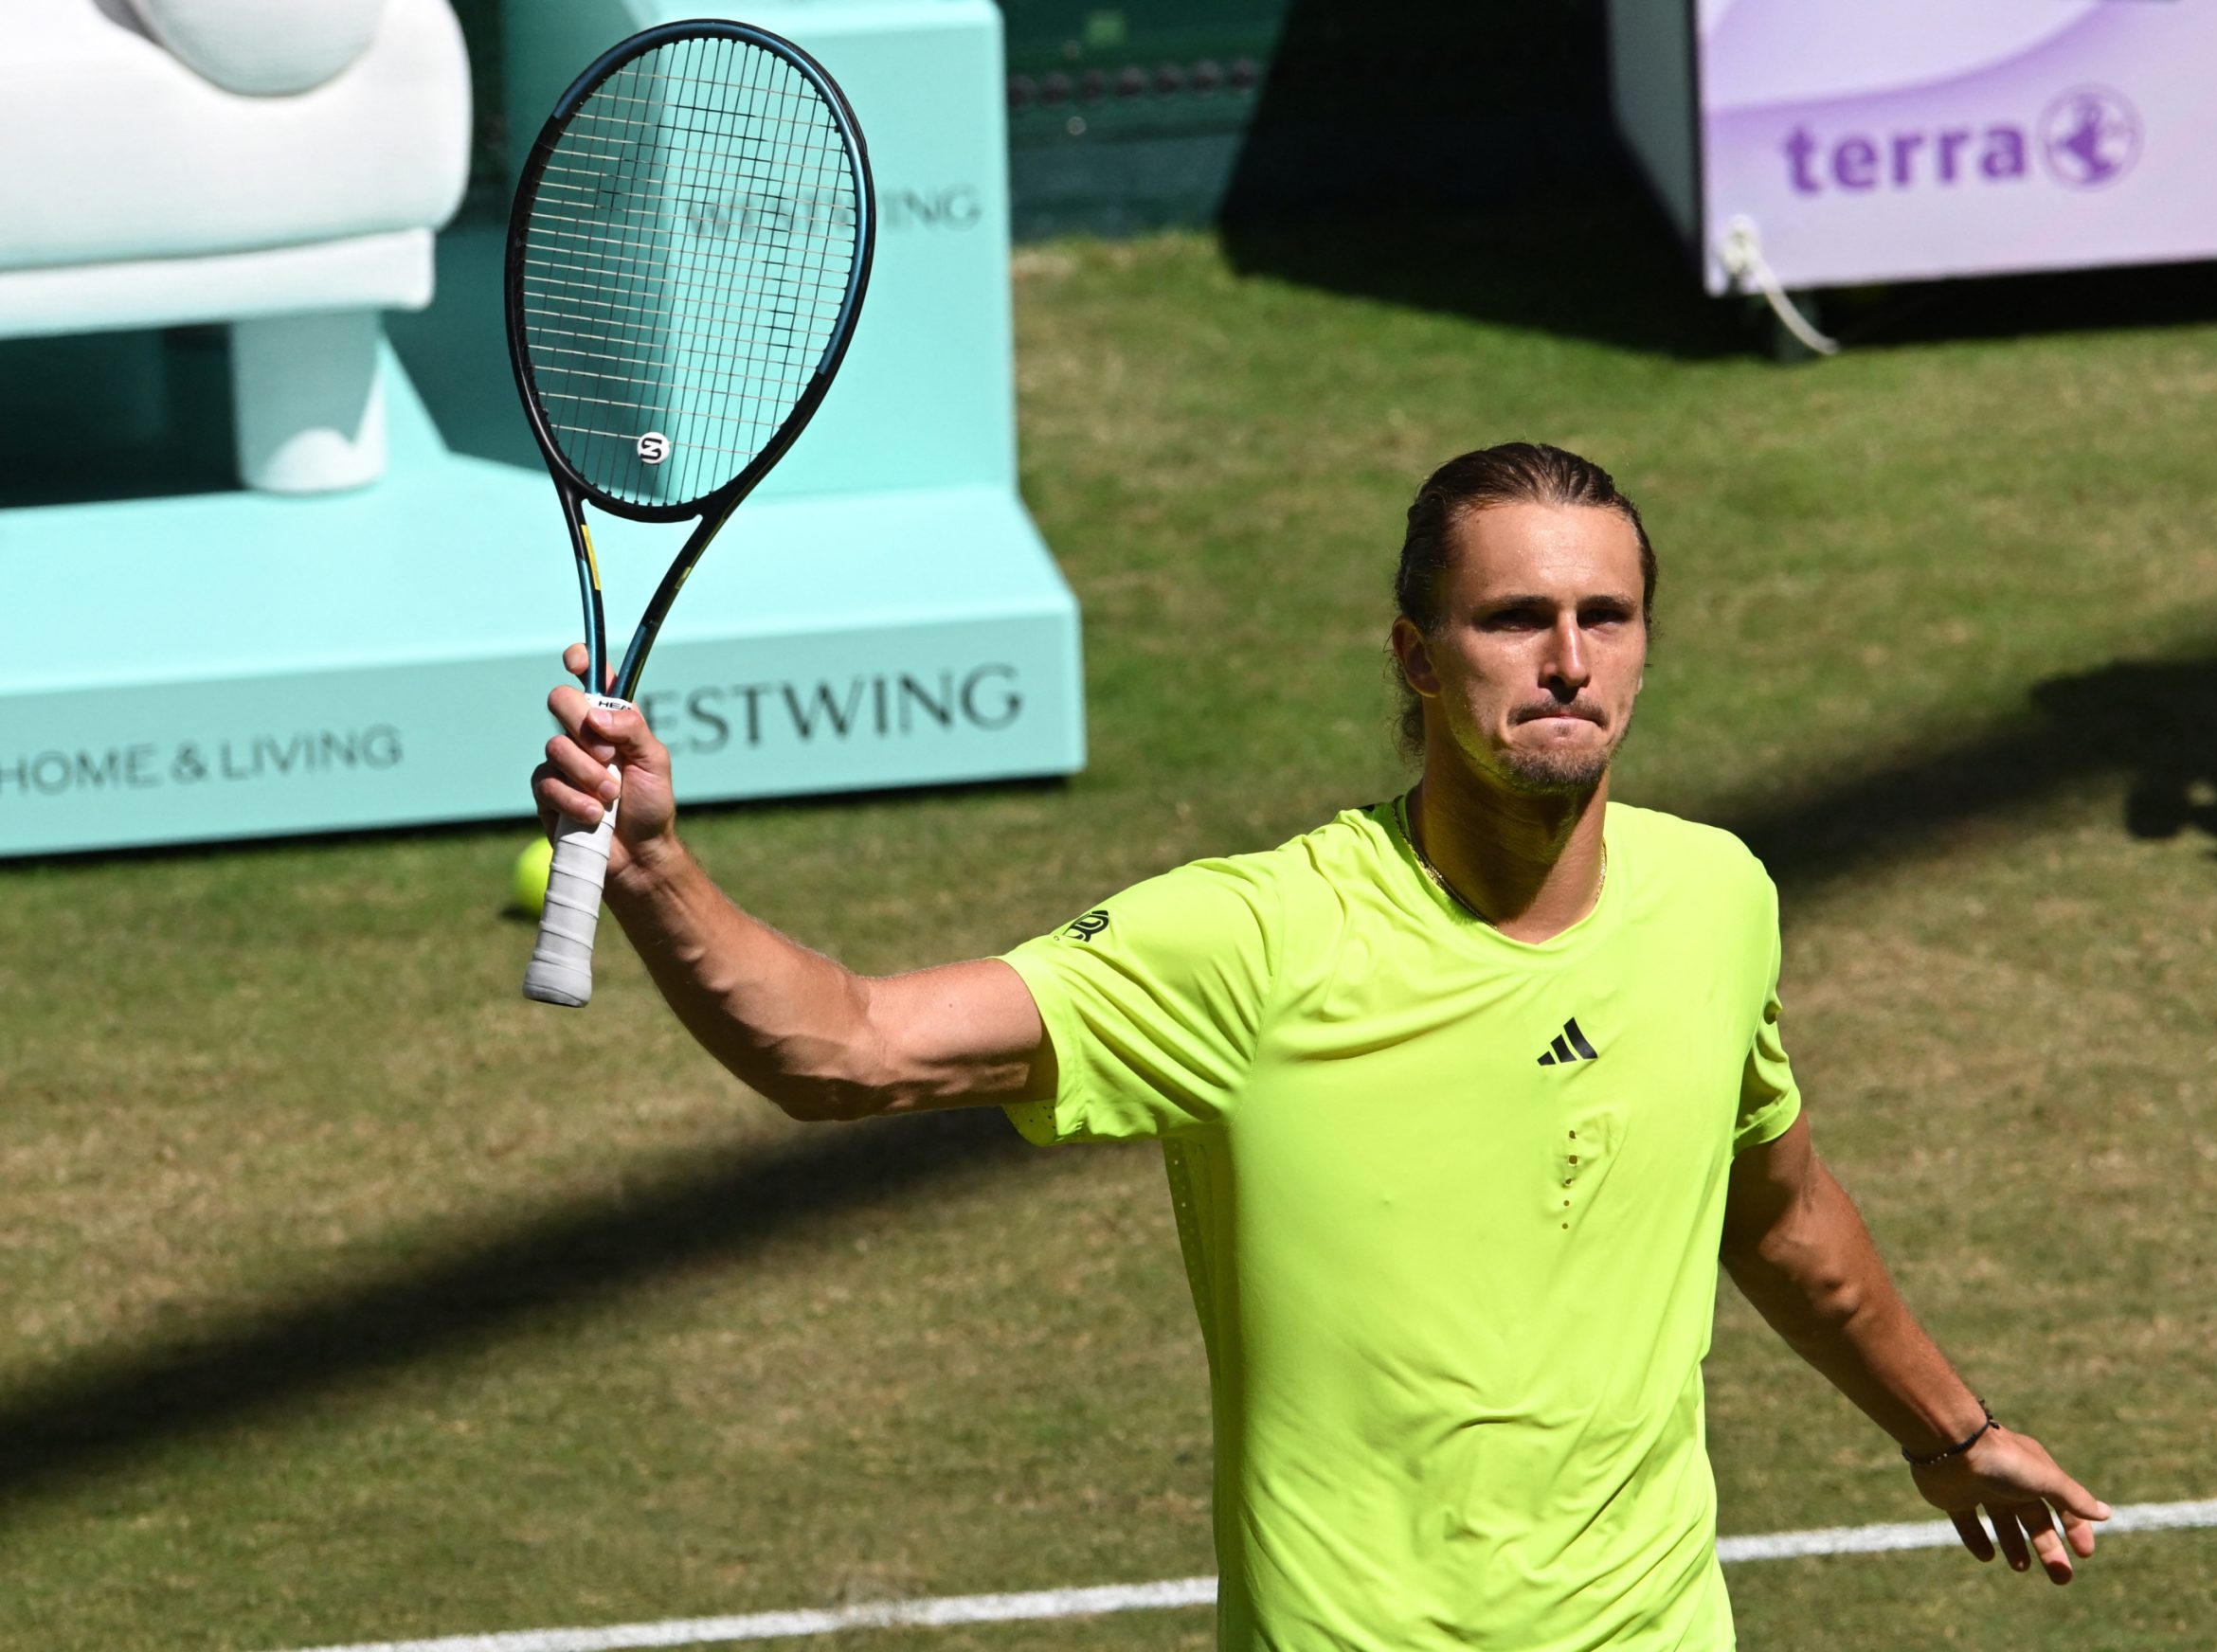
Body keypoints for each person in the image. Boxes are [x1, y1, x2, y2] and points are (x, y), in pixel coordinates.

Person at [532, 442, 2108, 1649]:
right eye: (1515, 619)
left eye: (1605, 617)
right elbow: (851, 1047)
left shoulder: (1717, 902)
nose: (1568, 659)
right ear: (1419, 657)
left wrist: (1952, 1436)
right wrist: (657, 870)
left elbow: (1782, 1213)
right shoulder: (1254, 944)